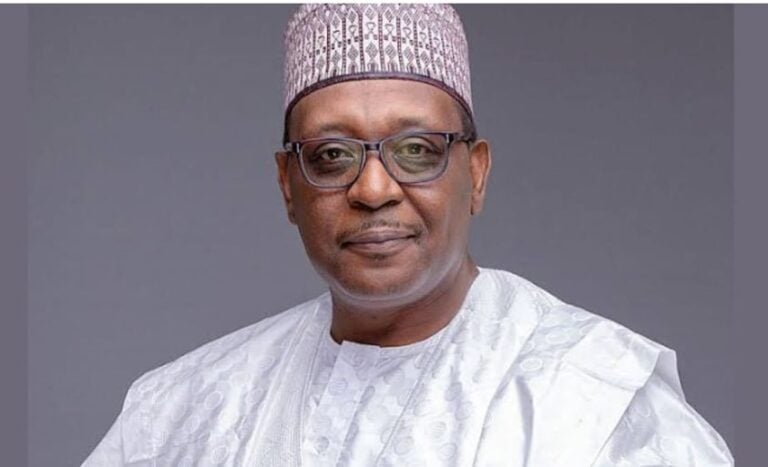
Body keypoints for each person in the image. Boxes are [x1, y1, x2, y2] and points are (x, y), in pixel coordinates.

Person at [83, 4, 733, 466]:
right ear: (287, 184)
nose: (373, 189)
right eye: (332, 154)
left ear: (475, 174)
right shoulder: (185, 411)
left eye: (417, 149)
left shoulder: (592, 404)